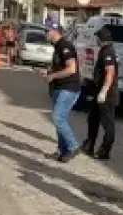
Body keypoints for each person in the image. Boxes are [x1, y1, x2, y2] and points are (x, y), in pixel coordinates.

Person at [44, 26, 81, 163]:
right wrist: (50, 72)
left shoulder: (66, 46)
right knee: (60, 120)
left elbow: (71, 69)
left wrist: (53, 75)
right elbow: (60, 67)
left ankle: (73, 146)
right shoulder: (57, 47)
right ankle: (62, 150)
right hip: (59, 87)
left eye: (46, 31)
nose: (45, 35)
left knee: (57, 118)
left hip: (69, 88)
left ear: (54, 32)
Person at [82, 28, 118, 160]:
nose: (96, 40)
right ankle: (89, 145)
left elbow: (110, 73)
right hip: (99, 91)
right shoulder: (105, 50)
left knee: (107, 123)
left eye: (98, 38)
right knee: (93, 119)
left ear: (101, 39)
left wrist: (104, 91)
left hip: (107, 94)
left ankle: (105, 150)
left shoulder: (108, 52)